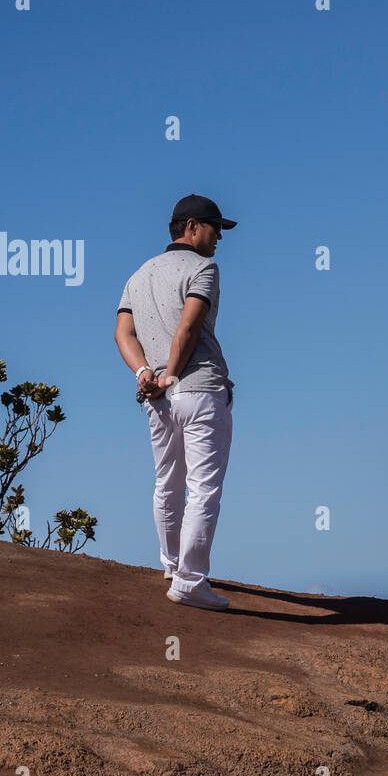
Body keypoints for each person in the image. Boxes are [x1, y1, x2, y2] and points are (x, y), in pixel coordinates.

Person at [114, 194, 237, 612]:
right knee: (203, 489)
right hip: (199, 388)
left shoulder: (139, 274)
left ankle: (171, 566)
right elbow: (187, 329)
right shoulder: (204, 267)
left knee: (167, 483)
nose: (219, 236)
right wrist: (169, 375)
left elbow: (123, 335)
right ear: (191, 227)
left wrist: (145, 374)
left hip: (157, 399)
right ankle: (189, 581)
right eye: (214, 227)